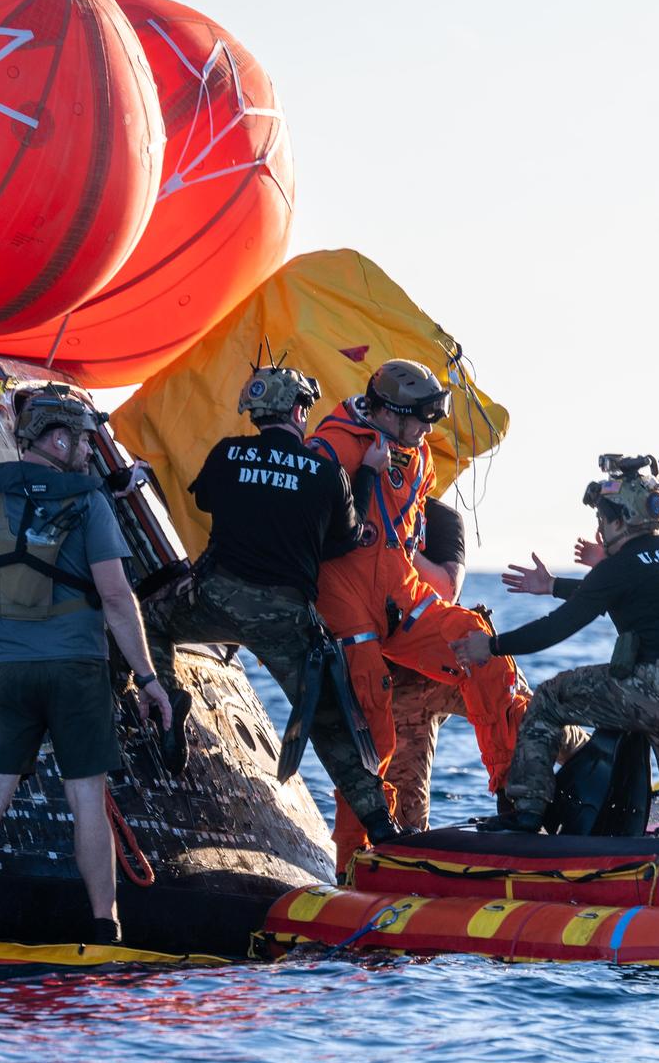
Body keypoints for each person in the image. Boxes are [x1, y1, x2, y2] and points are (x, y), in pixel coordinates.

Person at [0, 382, 173, 946]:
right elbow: (118, 599)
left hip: (5, 672)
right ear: (56, 438)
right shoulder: (90, 504)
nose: (91, 453)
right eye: (84, 441)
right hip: (75, 672)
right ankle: (104, 928)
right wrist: (148, 679)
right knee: (86, 800)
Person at [140, 364, 395, 857]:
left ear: (257, 411)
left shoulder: (226, 453)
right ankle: (381, 828)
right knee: (329, 724)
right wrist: (368, 474)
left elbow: (207, 500)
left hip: (214, 599)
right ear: (300, 411)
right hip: (286, 617)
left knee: (142, 621)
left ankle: (168, 701)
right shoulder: (324, 472)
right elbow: (346, 540)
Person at [309, 360, 529, 857]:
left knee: (484, 652)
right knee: (374, 734)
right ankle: (353, 858)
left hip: (401, 600)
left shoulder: (419, 455)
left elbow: (407, 544)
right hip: (347, 608)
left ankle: (514, 801)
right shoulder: (332, 447)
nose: (429, 428)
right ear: (389, 412)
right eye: (423, 418)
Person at [455, 457, 659, 835]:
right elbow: (632, 593)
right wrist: (553, 585)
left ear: (621, 521)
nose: (600, 533)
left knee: (550, 698)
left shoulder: (621, 564)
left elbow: (558, 628)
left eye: (603, 522)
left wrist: (492, 645)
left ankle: (527, 816)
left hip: (651, 692)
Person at [381, 497, 471, 832]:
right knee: (407, 817)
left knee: (526, 717)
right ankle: (408, 864)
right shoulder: (356, 508)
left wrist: (400, 543)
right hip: (396, 685)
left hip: (451, 667)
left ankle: (600, 766)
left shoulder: (443, 518)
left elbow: (446, 588)